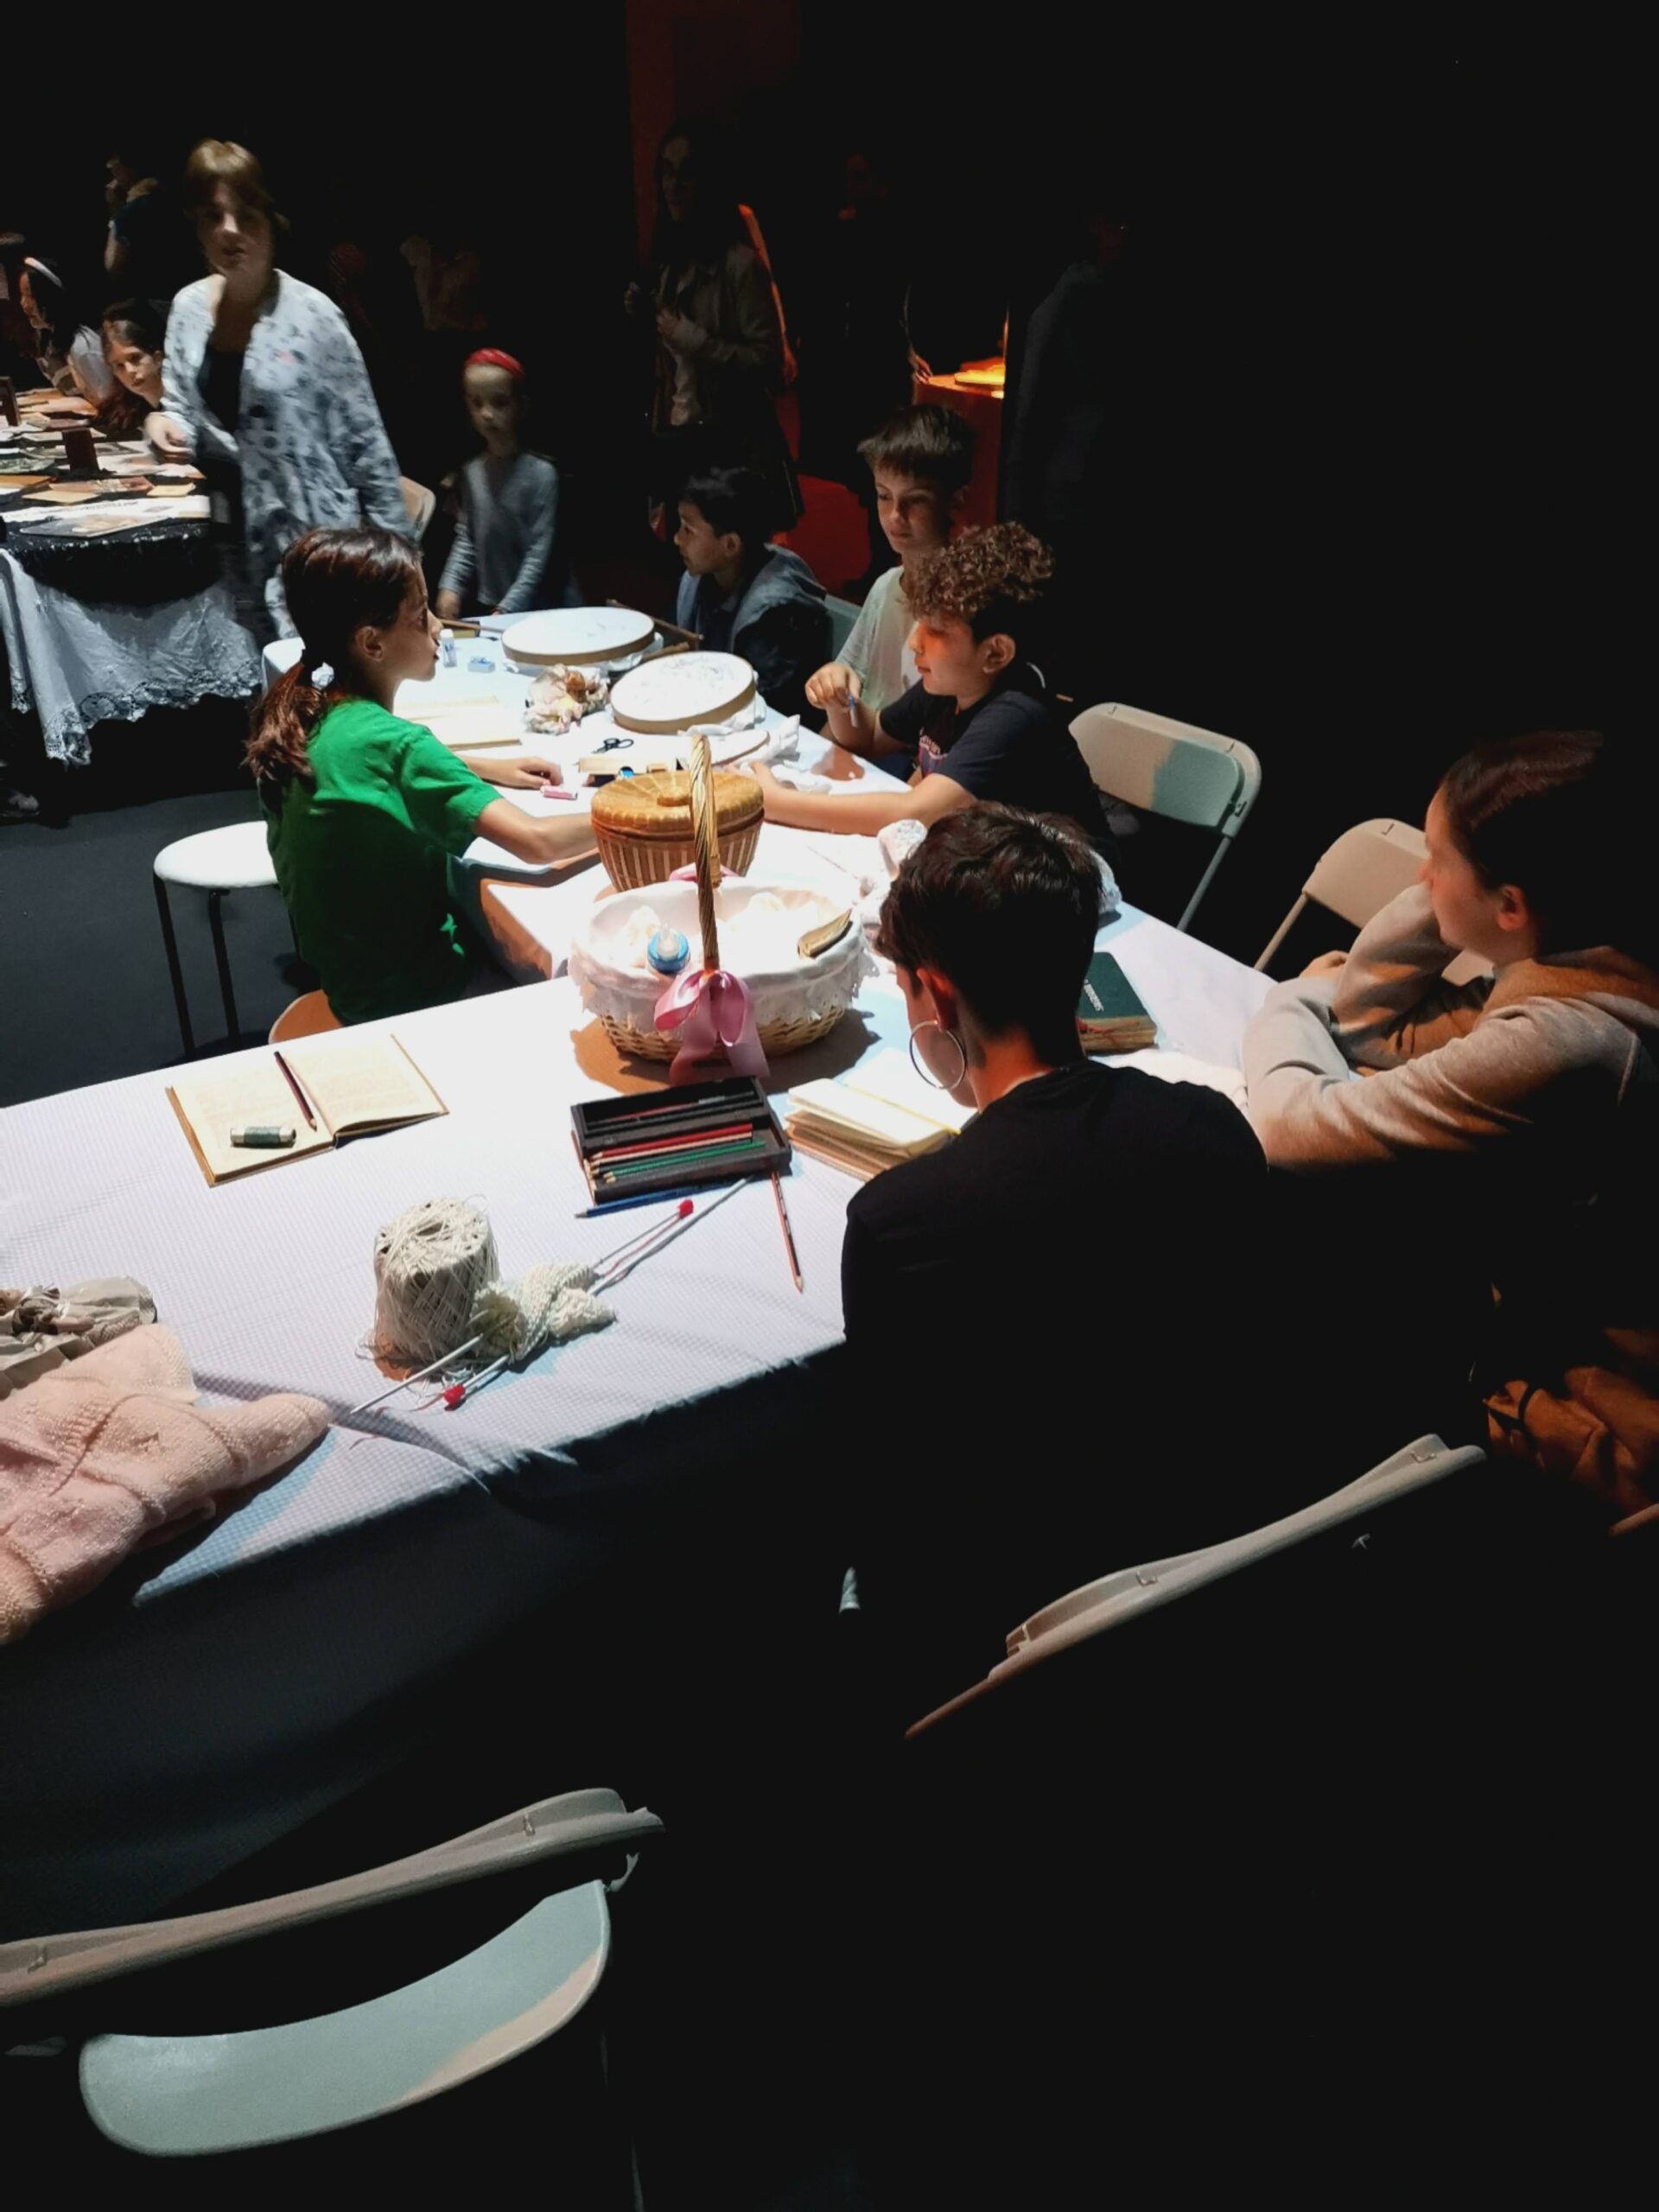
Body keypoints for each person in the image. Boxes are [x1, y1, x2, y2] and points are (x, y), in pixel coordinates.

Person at [841, 804, 1268, 1714]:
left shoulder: (900, 1221)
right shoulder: (1214, 1127)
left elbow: (892, 1497)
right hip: (1223, 1592)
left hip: (1015, 1661)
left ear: (935, 997)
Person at [1243, 729, 1659, 1524]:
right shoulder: (1584, 963)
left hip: (1557, 1409)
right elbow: (1372, 1030)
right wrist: (1456, 892)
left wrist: (1289, 998)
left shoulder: (1566, 1043)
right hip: (1498, 1318)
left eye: (1435, 861)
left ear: (1513, 906)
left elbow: (1288, 1127)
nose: (1418, 875)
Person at [250, 527, 588, 1027]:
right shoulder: (398, 746)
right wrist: (640, 812)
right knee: (574, 984)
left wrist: (479, 767)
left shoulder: (307, 714)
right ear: (372, 643)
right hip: (422, 1001)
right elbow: (538, 844)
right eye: (420, 615)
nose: (438, 627)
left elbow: (372, 771)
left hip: (355, 993)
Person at [149, 141, 408, 638]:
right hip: (228, 551)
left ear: (271, 220)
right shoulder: (187, 310)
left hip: (314, 553)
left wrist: (401, 578)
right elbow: (181, 405)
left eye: (245, 214)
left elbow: (367, 447)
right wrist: (162, 421)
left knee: (317, 679)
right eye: (212, 216)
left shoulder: (314, 317)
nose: (229, 230)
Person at [747, 523, 1113, 854]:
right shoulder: (952, 685)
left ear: (995, 653)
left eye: (935, 631)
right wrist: (841, 703)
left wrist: (777, 803)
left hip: (1075, 886)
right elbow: (869, 737)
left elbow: (916, 813)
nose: (914, 643)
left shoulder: (1016, 713)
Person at [629, 122, 799, 529]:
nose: (674, 186)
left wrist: (698, 342)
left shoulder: (739, 265)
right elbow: (671, 369)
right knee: (682, 550)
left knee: (726, 551)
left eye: (686, 173)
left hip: (728, 444)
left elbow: (768, 363)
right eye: (667, 173)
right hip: (679, 433)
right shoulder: (669, 262)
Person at [805, 404, 976, 736]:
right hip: (866, 741)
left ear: (955, 502)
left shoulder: (962, 608)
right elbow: (848, 681)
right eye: (884, 496)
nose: (895, 515)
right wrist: (833, 683)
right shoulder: (886, 586)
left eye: (916, 501)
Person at [673, 464, 828, 720]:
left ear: (730, 545)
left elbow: (766, 709)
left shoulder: (776, 614)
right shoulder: (700, 578)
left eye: (688, 530)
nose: (677, 539)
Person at [434, 350, 570, 620]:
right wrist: (450, 586)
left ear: (521, 406)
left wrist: (508, 608)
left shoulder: (542, 475)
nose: (487, 414)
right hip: (495, 605)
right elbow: (468, 537)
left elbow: (538, 554)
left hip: (544, 607)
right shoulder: (472, 472)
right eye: (477, 403)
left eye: (500, 403)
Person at [104, 144, 192, 315]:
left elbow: (112, 266)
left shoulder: (133, 209)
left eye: (112, 164)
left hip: (149, 308)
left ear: (124, 167)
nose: (110, 170)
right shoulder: (173, 201)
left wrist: (115, 215)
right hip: (179, 301)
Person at [16, 258, 116, 406]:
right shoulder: (47, 341)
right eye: (22, 295)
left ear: (50, 297)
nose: (23, 303)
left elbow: (109, 403)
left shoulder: (81, 347)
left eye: (30, 296)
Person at [99, 300, 165, 432]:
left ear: (158, 357)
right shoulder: (129, 412)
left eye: (134, 358)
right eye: (119, 365)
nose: (129, 371)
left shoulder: (186, 405)